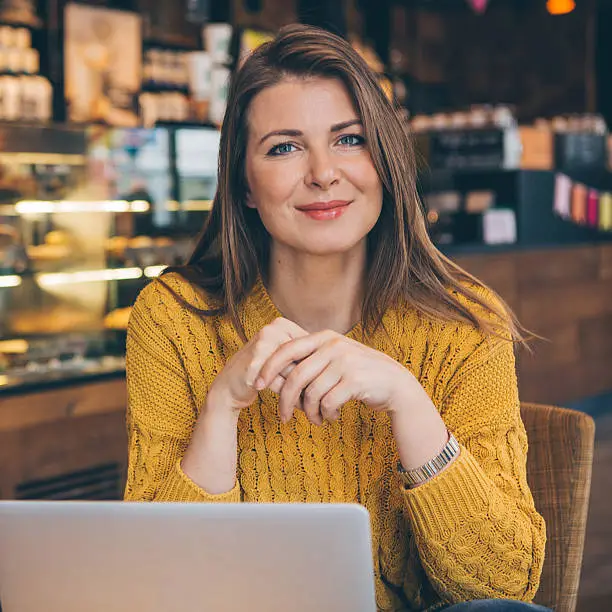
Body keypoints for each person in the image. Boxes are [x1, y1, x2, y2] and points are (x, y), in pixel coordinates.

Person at [124, 24, 548, 612]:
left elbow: (504, 589)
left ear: (386, 160)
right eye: (284, 147)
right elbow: (153, 581)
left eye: (349, 140)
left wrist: (409, 400)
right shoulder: (175, 320)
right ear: (244, 184)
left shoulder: (464, 326)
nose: (323, 172)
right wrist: (221, 406)